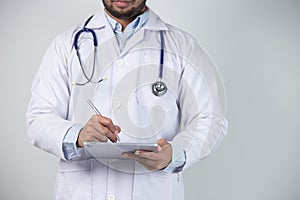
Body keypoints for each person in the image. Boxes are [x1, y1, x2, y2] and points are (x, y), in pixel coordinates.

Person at [26, 0, 228, 199]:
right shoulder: (67, 45)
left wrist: (175, 154)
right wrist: (78, 135)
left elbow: (211, 120)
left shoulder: (183, 47)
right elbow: (39, 117)